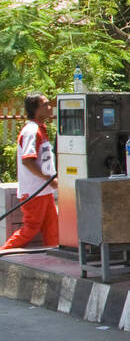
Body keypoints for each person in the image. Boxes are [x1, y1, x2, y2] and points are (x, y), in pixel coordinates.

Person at [2, 93, 58, 251]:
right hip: (35, 191)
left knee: (52, 227)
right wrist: (49, 179)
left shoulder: (40, 129)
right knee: (31, 228)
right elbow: (27, 160)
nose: (50, 107)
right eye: (46, 104)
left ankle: (54, 257)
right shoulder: (31, 131)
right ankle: (4, 253)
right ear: (36, 109)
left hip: (43, 190)